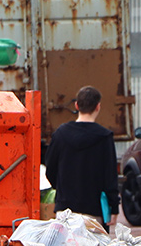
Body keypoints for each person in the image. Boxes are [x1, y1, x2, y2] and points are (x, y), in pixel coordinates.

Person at [44, 85, 119, 227]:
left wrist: (61, 188)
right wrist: (113, 207)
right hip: (94, 210)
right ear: (98, 107)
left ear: (76, 105)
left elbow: (50, 169)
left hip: (64, 210)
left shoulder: (60, 134)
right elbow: (110, 177)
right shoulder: (104, 137)